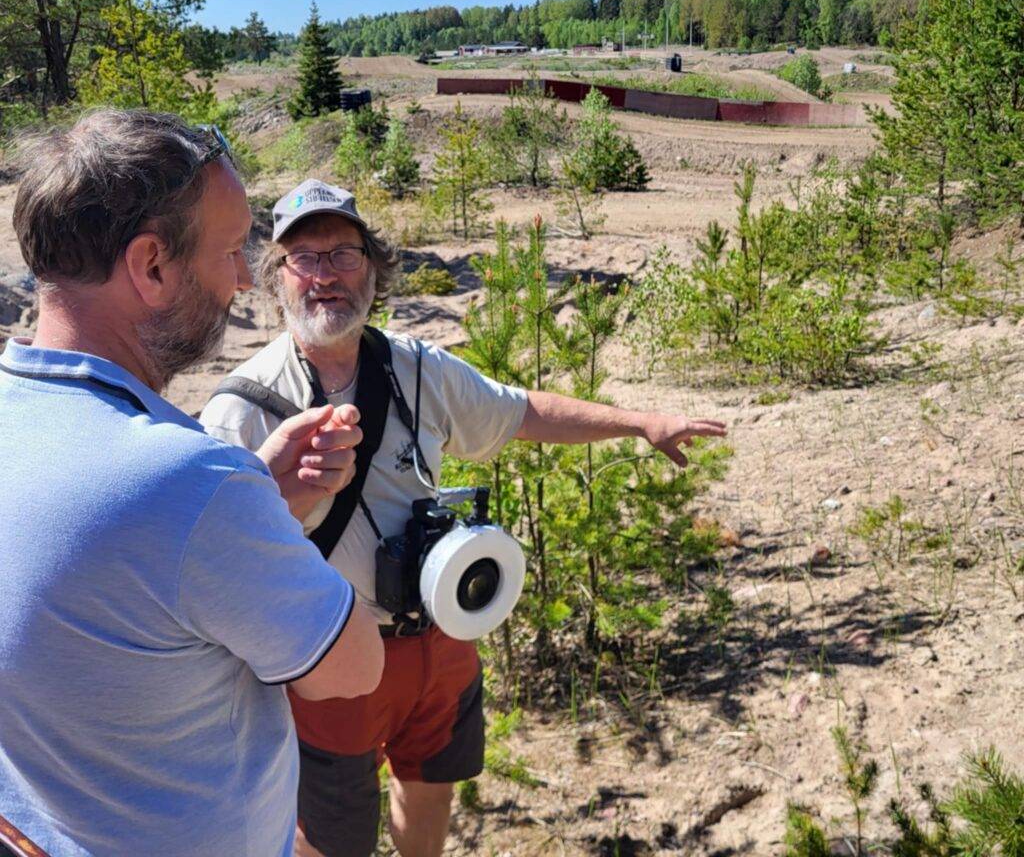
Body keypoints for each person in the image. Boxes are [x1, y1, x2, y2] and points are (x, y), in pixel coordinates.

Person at [200, 178, 727, 857]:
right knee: (327, 835)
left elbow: (522, 412)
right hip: (325, 657)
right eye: (304, 258)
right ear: (276, 278)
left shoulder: (420, 370)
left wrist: (641, 423)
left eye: (345, 254)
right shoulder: (241, 408)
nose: (326, 276)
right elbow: (211, 570)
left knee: (429, 787)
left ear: (374, 270)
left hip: (442, 636)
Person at [0, 112, 384, 857]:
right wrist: (243, 505)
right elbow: (352, 668)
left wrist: (256, 500)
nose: (242, 278)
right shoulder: (189, 483)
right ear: (151, 266)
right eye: (231, 250)